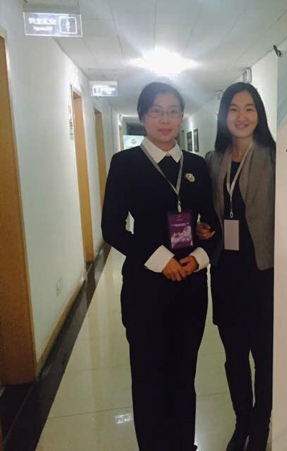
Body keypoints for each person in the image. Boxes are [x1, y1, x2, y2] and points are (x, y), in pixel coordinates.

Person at [102, 82, 217, 451]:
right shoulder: (125, 164)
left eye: (173, 111)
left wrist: (199, 257)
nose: (165, 120)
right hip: (145, 287)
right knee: (149, 376)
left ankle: (184, 444)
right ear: (143, 117)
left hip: (190, 286)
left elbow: (211, 222)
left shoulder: (196, 165)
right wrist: (160, 259)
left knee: (184, 374)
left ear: (182, 116)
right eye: (157, 111)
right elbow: (111, 228)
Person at [197, 82, 275, 451]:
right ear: (223, 115)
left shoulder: (276, 157)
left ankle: (261, 424)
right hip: (226, 272)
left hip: (264, 271)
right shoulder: (214, 160)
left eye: (249, 108)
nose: (241, 116)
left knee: (265, 356)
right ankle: (242, 418)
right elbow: (209, 214)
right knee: (233, 356)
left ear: (259, 114)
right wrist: (203, 228)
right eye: (233, 108)